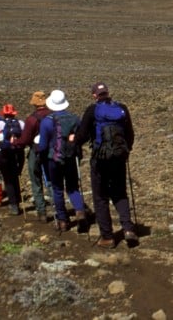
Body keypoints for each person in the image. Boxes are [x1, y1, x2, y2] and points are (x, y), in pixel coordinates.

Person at [75, 81, 137, 247]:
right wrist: (126, 150)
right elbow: (130, 133)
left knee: (100, 197)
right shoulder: (121, 108)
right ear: (108, 93)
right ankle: (128, 229)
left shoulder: (92, 110)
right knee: (120, 193)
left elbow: (82, 135)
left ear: (94, 95)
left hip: (100, 160)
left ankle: (107, 237)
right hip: (119, 157)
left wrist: (74, 141)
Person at [37, 89, 89, 232]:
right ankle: (80, 211)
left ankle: (62, 220)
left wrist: (41, 155)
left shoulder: (47, 122)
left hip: (54, 159)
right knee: (73, 187)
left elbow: (43, 145)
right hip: (71, 158)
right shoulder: (74, 119)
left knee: (57, 189)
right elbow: (83, 136)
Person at [14, 90, 52, 222]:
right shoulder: (52, 116)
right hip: (50, 151)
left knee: (36, 181)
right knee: (51, 181)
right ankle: (59, 210)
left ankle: (42, 212)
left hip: (35, 152)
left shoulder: (31, 119)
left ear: (35, 104)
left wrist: (15, 143)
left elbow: (24, 140)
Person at [0, 103, 26, 215]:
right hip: (17, 153)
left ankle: (13, 205)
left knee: (8, 180)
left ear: (4, 114)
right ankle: (18, 201)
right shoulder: (20, 123)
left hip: (3, 154)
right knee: (16, 177)